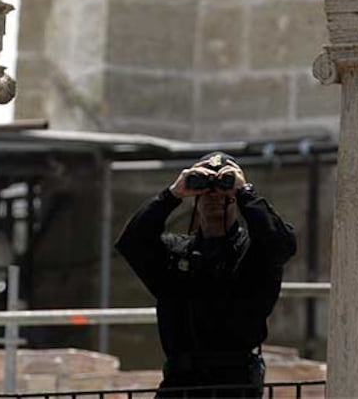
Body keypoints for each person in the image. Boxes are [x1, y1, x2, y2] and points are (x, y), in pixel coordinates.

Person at [115, 152, 296, 398]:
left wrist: (245, 192)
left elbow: (281, 245)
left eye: (222, 190)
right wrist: (172, 194)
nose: (213, 196)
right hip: (180, 385)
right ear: (195, 200)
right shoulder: (176, 254)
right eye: (205, 190)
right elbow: (133, 242)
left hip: (234, 386)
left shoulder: (253, 254)